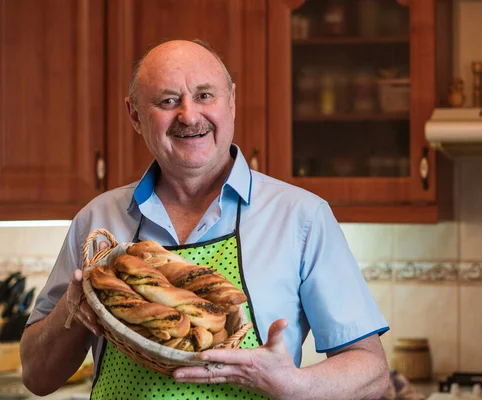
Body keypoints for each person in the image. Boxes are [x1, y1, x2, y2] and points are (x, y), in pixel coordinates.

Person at [20, 39, 389, 400]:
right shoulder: (97, 221)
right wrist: (74, 306)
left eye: (204, 95)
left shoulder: (301, 217)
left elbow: (371, 372)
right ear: (134, 115)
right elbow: (37, 376)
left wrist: (295, 386)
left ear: (231, 101)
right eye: (168, 101)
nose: (189, 115)